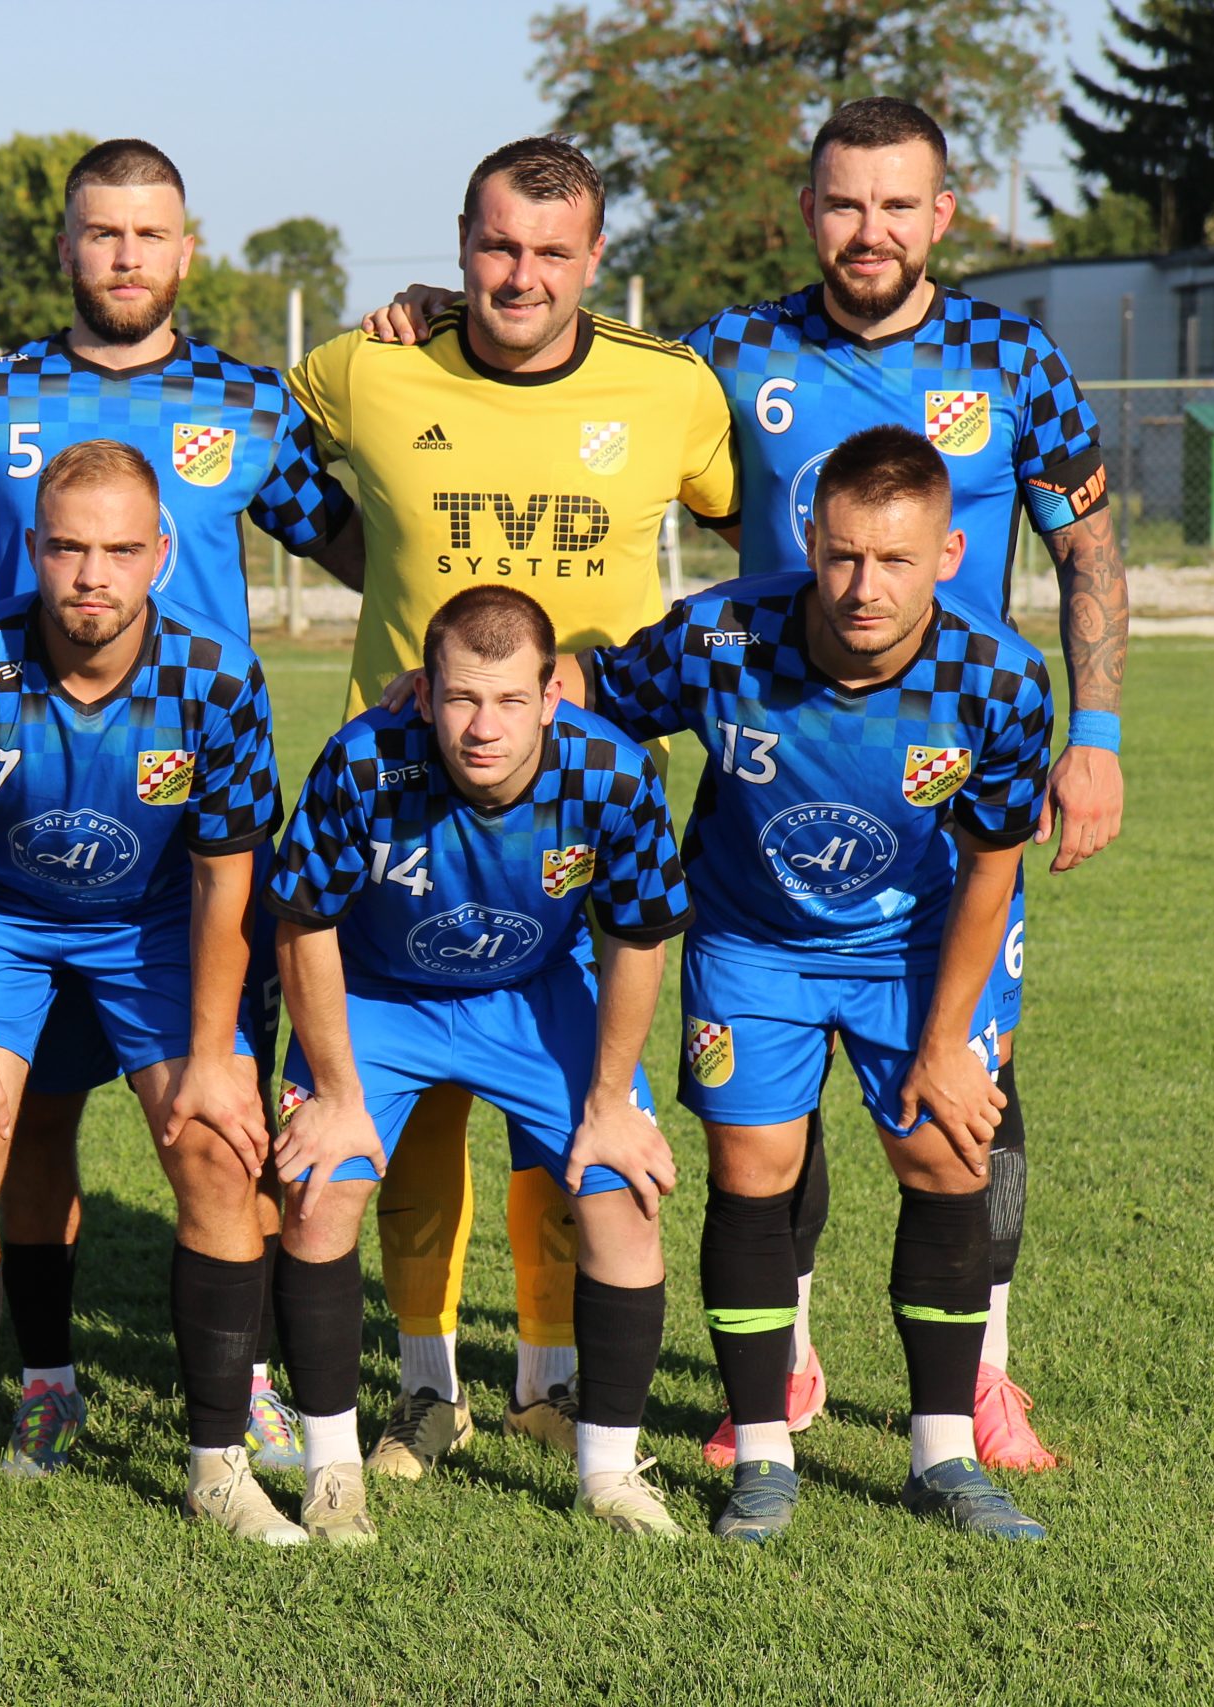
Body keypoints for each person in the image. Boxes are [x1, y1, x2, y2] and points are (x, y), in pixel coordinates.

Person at [367, 98, 1127, 1469]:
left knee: (970, 1087)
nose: (870, 230)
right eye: (844, 203)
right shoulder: (730, 354)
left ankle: (983, 1376)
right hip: (767, 775)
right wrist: (454, 311)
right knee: (767, 1110)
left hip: (947, 784)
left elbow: (1088, 551)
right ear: (809, 212)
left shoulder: (1013, 356)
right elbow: (579, 356)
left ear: (943, 215)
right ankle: (786, 1366)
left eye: (898, 205)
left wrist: (1100, 731)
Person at [284, 136, 737, 1473]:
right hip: (402, 797)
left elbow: (765, 534)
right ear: (459, 245)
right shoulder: (372, 365)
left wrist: (656, 674)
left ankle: (550, 1374)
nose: (520, 274)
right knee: (409, 1116)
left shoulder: (669, 387)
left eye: (551, 250)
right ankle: (426, 1385)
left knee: (574, 1100)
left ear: (596, 259)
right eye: (495, 246)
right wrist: (374, 556)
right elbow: (253, 456)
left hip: (588, 809)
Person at [0, 137, 358, 1475]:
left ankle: (243, 1397)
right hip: (24, 829)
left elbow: (360, 544)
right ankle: (50, 1382)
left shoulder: (244, 400)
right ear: (66, 246)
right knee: (30, 1124)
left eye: (148, 232)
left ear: (187, 248)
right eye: (101, 231)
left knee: (224, 1123)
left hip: (195, 841)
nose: (125, 255)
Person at [580, 424, 1051, 1541]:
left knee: (948, 1156)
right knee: (754, 1168)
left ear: (947, 554)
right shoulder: (719, 635)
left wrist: (946, 1042)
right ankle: (762, 1455)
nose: (862, 586)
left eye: (894, 560)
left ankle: (942, 1455)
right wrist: (468, 680)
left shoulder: (999, 679)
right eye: (841, 555)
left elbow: (992, 870)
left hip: (919, 946)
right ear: (810, 540)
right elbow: (590, 688)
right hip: (753, 940)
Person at [0, 439, 298, 1554]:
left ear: (161, 553)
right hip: (1, 920)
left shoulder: (217, 677)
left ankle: (219, 1465)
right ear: (31, 547)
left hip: (154, 922)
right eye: (67, 548)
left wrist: (211, 1055)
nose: (91, 576)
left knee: (218, 1148)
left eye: (119, 550)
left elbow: (224, 877)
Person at [268, 585, 690, 1543]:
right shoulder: (363, 762)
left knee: (624, 1193)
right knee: (321, 1190)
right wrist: (336, 1091)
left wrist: (612, 1100)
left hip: (533, 992)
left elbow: (637, 938)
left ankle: (609, 1473)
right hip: (381, 993)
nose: (483, 727)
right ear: (425, 693)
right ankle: (333, 1472)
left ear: (551, 697)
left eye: (508, 700)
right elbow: (303, 921)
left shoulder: (614, 775)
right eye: (461, 697)